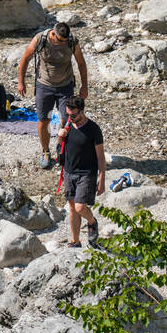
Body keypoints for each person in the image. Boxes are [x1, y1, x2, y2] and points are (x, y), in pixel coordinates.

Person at [17, 21, 90, 170]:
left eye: (65, 40)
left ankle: (61, 148)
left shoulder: (71, 41)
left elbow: (81, 63)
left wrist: (84, 86)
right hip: (44, 85)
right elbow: (25, 58)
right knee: (44, 120)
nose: (63, 42)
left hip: (65, 86)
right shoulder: (40, 39)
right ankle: (45, 151)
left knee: (67, 119)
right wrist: (21, 82)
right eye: (60, 40)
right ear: (53, 34)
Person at [57, 96, 104, 248]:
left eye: (73, 115)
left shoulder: (93, 129)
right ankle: (75, 240)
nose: (70, 118)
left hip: (86, 173)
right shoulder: (68, 125)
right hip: (69, 172)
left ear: (82, 111)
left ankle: (92, 222)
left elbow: (100, 157)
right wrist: (59, 137)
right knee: (72, 208)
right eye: (67, 114)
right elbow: (60, 149)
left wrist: (101, 179)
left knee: (80, 207)